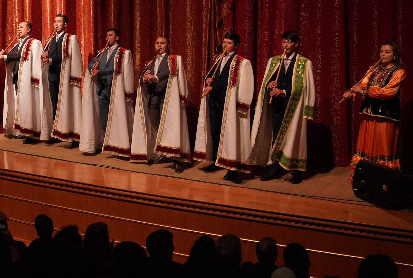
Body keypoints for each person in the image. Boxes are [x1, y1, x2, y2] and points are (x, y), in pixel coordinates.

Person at [252, 31, 316, 184]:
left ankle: (296, 172)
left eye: (289, 42)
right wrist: (269, 85)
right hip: (277, 106)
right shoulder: (274, 61)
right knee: (276, 137)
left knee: (294, 138)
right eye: (284, 42)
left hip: (293, 108)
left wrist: (284, 91)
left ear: (296, 44)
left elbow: (304, 87)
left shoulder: (304, 63)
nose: (285, 45)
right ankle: (275, 169)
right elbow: (266, 81)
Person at [194, 32, 255, 182]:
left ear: (236, 46)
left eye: (229, 43)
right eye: (224, 42)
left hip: (229, 105)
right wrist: (209, 80)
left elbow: (237, 84)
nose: (225, 45)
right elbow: (216, 78)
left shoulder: (242, 62)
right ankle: (217, 161)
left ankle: (232, 168)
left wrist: (213, 87)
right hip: (215, 102)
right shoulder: (218, 59)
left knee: (229, 135)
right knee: (215, 133)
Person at [343, 41, 406, 179]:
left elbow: (388, 92)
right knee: (366, 145)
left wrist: (364, 91)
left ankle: (382, 178)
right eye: (381, 51)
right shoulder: (373, 69)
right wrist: (352, 93)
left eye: (387, 52)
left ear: (395, 55)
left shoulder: (399, 72)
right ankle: (365, 176)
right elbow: (362, 85)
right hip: (369, 112)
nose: (383, 54)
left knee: (382, 146)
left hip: (386, 115)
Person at [131, 36, 191, 170]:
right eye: (157, 43)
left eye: (162, 43)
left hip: (167, 99)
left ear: (167, 45)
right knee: (156, 126)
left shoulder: (172, 60)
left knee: (169, 127)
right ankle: (164, 153)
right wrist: (144, 78)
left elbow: (169, 72)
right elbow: (141, 79)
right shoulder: (151, 63)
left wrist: (155, 77)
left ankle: (177, 159)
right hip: (153, 99)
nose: (159, 45)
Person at [79, 28, 135, 157]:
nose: (107, 38)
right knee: (104, 118)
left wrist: (101, 71)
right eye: (106, 35)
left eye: (110, 35)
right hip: (102, 89)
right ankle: (107, 143)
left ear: (117, 38)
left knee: (117, 118)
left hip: (115, 90)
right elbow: (91, 64)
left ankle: (120, 145)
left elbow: (116, 69)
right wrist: (92, 66)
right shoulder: (102, 52)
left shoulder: (123, 53)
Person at [39, 14, 83, 146]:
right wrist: (44, 56)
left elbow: (67, 57)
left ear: (65, 24)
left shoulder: (70, 39)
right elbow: (47, 54)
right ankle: (57, 133)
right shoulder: (51, 39)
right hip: (53, 77)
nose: (56, 24)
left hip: (65, 77)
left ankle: (72, 135)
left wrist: (50, 60)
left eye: (59, 22)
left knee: (67, 106)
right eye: (55, 22)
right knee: (55, 106)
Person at [0, 21, 43, 143]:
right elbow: (13, 55)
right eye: (18, 27)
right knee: (20, 105)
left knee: (27, 105)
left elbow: (20, 55)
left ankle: (31, 133)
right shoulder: (17, 44)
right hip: (17, 78)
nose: (18, 29)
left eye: (21, 27)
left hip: (28, 81)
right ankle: (22, 130)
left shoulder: (33, 43)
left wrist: (5, 57)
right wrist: (4, 55)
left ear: (28, 29)